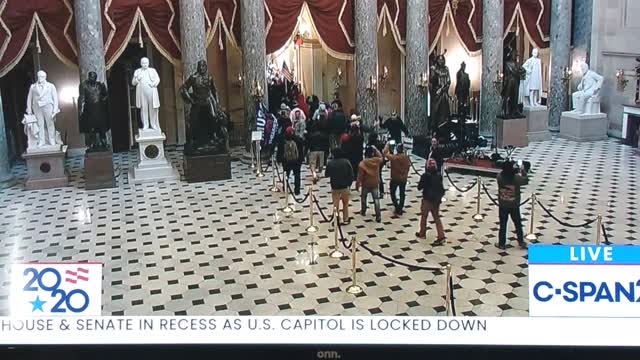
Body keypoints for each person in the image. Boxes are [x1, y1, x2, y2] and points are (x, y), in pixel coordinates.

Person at [180, 60, 228, 153]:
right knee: (194, 121)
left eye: (203, 66)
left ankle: (213, 135)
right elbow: (184, 88)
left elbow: (214, 91)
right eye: (200, 66)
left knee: (213, 118)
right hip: (197, 102)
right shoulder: (193, 77)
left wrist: (217, 103)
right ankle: (194, 140)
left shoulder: (209, 77)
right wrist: (190, 99)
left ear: (206, 67)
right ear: (198, 67)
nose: (202, 68)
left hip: (208, 101)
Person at [496, 160, 529, 250]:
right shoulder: (516, 178)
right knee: (517, 223)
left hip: (503, 204)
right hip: (514, 205)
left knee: (503, 224)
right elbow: (526, 180)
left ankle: (501, 243)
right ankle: (520, 241)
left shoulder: (499, 177)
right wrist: (523, 171)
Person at [26, 70, 60, 148]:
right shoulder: (33, 87)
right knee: (40, 124)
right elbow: (29, 98)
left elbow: (55, 98)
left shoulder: (51, 86)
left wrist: (55, 109)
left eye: (41, 76)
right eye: (38, 76)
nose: (39, 78)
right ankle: (41, 141)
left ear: (45, 77)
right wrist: (29, 110)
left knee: (50, 124)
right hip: (37, 107)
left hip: (48, 106)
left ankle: (52, 140)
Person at [416, 159, 446, 245]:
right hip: (436, 200)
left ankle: (422, 233)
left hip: (427, 199)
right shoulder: (439, 175)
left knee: (424, 216)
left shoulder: (425, 175)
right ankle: (441, 236)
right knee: (437, 217)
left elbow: (419, 187)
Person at [78, 71, 110, 150]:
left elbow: (106, 95)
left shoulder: (100, 85)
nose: (92, 78)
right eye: (90, 77)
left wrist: (103, 100)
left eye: (93, 77)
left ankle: (104, 143)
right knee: (90, 129)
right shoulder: (84, 85)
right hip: (89, 110)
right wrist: (80, 109)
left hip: (99, 110)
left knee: (102, 129)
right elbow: (81, 98)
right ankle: (92, 145)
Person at [325, 147, 354, 224]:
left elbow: (326, 174)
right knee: (345, 204)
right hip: (344, 186)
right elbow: (351, 174)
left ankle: (337, 219)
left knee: (336, 205)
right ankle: (346, 219)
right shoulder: (346, 162)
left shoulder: (330, 163)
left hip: (334, 186)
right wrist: (349, 184)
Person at [132, 57, 161, 132]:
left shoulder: (152, 70)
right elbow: (133, 83)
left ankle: (153, 124)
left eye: (146, 63)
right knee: (144, 109)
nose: (145, 64)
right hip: (142, 93)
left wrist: (154, 84)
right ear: (141, 63)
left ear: (148, 63)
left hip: (151, 92)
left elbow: (158, 79)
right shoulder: (138, 71)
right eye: (143, 63)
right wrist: (138, 79)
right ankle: (145, 124)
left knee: (153, 109)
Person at [356, 145, 384, 223]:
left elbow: (360, 176)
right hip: (375, 183)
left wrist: (357, 185)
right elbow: (382, 157)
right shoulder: (376, 160)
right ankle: (378, 215)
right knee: (376, 199)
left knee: (364, 198)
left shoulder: (362, 163)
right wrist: (376, 149)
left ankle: (363, 211)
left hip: (366, 184)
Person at [384, 143, 410, 215]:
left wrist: (387, 144)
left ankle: (396, 206)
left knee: (392, 193)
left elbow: (385, 153)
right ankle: (400, 208)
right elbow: (408, 166)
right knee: (402, 193)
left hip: (395, 178)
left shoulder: (394, 158)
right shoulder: (406, 158)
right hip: (403, 178)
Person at [277, 127, 305, 195]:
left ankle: (285, 187)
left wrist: (279, 159)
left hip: (286, 161)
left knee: (286, 174)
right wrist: (301, 159)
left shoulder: (283, 140)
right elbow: (301, 150)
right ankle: (297, 190)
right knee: (297, 175)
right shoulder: (298, 140)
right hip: (296, 161)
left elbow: (280, 151)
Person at [368, 131, 386, 198]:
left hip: (372, 161)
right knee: (379, 175)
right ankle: (381, 191)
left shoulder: (370, 144)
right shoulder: (379, 143)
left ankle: (372, 188)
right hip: (380, 161)